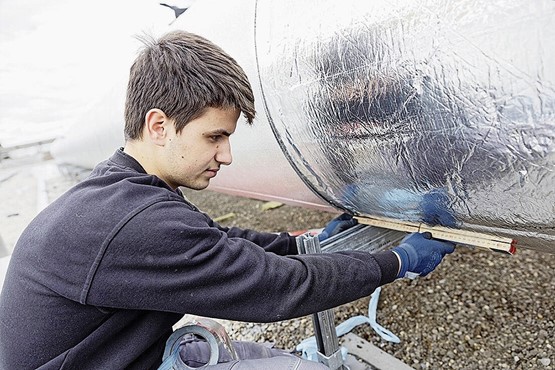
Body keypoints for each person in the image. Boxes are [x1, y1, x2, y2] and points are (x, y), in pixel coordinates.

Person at [0, 30, 455, 369]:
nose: (227, 155)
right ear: (159, 126)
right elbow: (276, 287)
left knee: (267, 358)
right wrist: (398, 261)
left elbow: (216, 242)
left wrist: (303, 243)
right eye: (214, 136)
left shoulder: (124, 191)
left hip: (116, 355)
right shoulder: (134, 222)